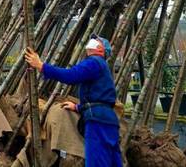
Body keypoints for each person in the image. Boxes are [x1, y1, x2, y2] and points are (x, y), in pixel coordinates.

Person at [24, 35, 123, 167]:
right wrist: (77, 107)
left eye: (97, 40)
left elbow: (71, 75)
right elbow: (99, 97)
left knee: (96, 163)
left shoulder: (95, 62)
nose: (92, 41)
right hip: (109, 120)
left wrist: (41, 66)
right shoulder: (102, 66)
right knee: (113, 162)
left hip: (97, 121)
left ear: (101, 49)